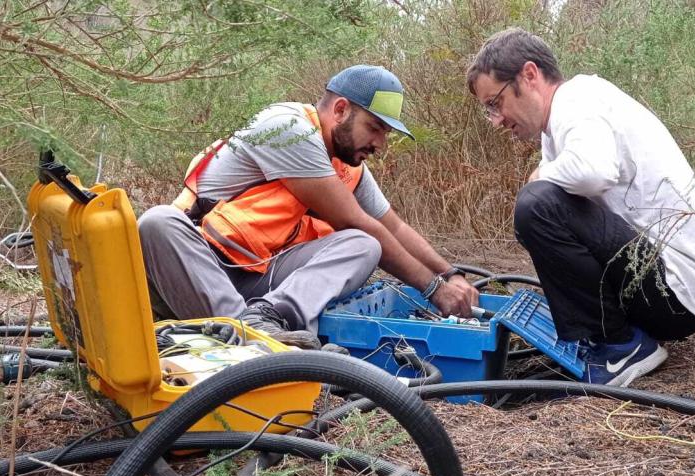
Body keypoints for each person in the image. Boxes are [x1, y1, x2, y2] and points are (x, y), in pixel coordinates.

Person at [139, 64, 478, 348]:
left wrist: (451, 275)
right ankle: (249, 335)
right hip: (203, 268)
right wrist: (434, 290)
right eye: (375, 128)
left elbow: (394, 227)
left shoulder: (349, 165)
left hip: (260, 276)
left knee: (363, 246)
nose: (380, 143)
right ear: (341, 110)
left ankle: (265, 320)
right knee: (157, 221)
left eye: (386, 133)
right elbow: (354, 220)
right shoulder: (288, 130)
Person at [466, 28, 695, 387]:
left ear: (529, 75)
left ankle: (621, 347)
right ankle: (614, 336)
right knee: (541, 204)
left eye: (495, 103)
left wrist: (539, 176)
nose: (496, 120)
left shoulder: (578, 100)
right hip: (665, 287)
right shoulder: (557, 128)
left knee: (536, 205)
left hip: (677, 291)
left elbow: (594, 172)